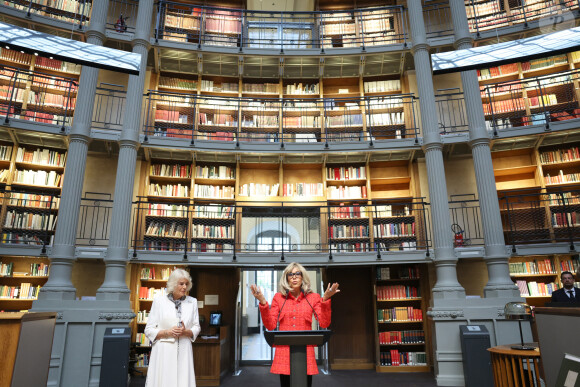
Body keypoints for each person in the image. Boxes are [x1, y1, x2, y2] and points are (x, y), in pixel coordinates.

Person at [250, 262, 340, 387]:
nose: (294, 277)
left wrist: (325, 299)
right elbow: (270, 325)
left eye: (298, 273)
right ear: (286, 278)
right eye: (290, 274)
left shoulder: (313, 298)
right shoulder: (278, 298)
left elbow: (324, 322)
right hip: (284, 352)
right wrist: (263, 302)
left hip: (305, 351)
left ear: (302, 276)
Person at [144, 268, 201, 387]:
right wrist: (167, 332)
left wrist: (186, 332)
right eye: (181, 284)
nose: (185, 287)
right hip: (163, 351)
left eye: (186, 284)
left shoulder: (193, 302)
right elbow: (148, 330)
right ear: (173, 284)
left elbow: (197, 327)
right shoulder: (159, 301)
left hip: (184, 350)